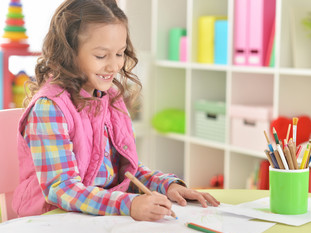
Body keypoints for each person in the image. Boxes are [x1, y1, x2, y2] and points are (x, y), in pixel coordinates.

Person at [13, 0, 219, 221]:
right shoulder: (49, 107)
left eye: (120, 53)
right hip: (50, 221)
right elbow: (62, 189)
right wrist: (128, 203)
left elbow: (128, 170)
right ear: (69, 53)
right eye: (101, 56)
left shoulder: (110, 98)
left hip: (97, 218)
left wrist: (167, 186)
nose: (114, 66)